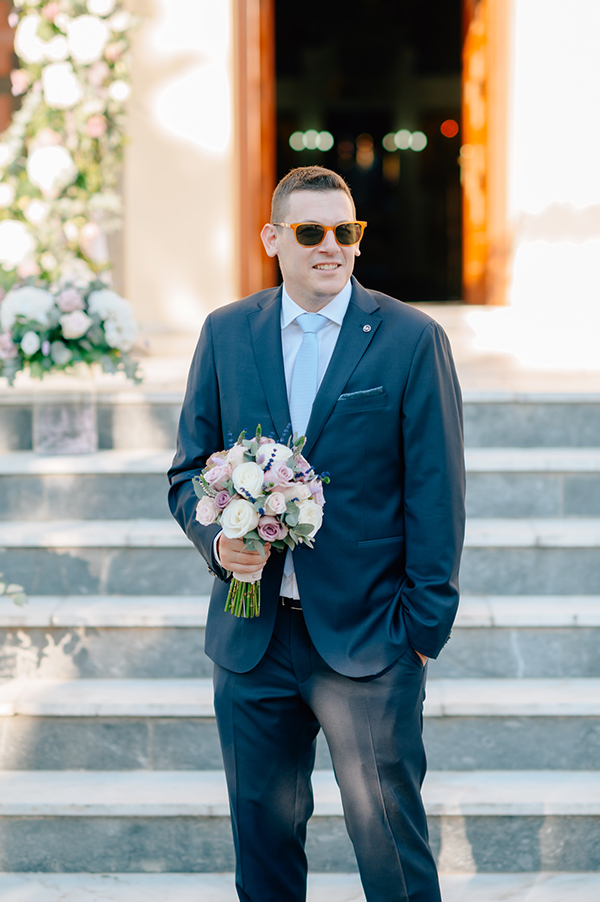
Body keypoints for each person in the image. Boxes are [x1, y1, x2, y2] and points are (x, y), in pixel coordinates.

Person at [168, 165, 465, 902]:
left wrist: (422, 630)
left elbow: (438, 491)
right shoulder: (227, 333)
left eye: (346, 231)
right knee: (263, 855)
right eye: (310, 232)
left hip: (370, 640)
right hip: (251, 640)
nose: (330, 246)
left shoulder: (410, 339)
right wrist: (216, 542)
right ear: (273, 238)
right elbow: (187, 473)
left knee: (392, 851)